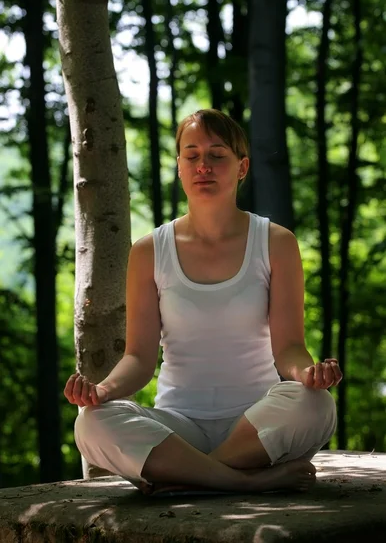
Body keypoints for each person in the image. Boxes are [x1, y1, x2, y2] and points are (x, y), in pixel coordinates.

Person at [64, 109, 342, 496]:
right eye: (191, 155)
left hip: (255, 428)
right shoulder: (149, 251)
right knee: (91, 422)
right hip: (177, 430)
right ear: (179, 166)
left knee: (315, 404)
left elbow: (290, 348)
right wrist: (103, 391)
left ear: (242, 167)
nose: (203, 166)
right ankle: (244, 481)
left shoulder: (275, 243)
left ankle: (186, 477)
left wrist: (308, 374)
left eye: (217, 155)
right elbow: (139, 359)